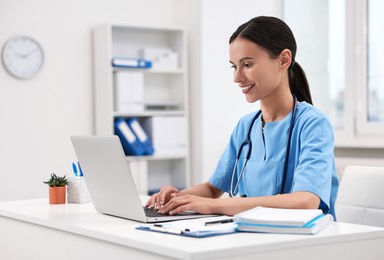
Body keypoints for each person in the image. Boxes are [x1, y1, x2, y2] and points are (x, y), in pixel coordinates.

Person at [145, 16, 339, 219]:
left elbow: (306, 201)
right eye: (234, 66)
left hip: (303, 242)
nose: (237, 77)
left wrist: (216, 206)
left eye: (247, 65)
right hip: (251, 236)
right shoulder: (246, 127)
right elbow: (212, 189)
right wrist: (178, 197)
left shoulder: (313, 125)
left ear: (283, 60)